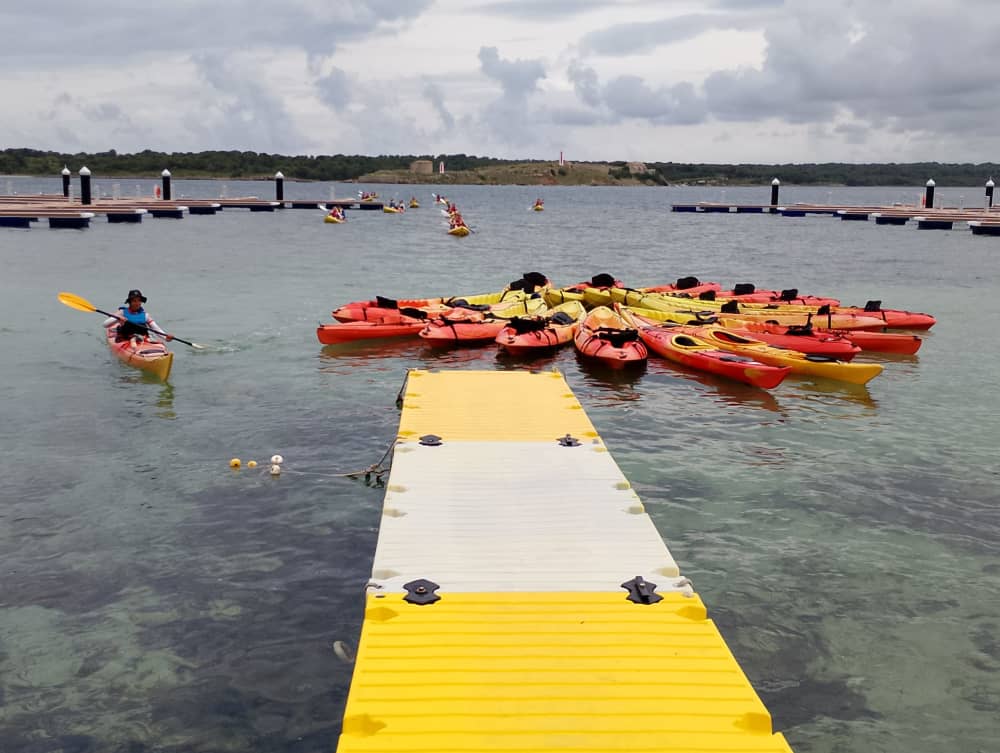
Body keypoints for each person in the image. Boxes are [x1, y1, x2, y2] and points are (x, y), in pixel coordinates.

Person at [103, 289, 174, 343]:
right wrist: (118, 318)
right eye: (134, 301)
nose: (137, 303)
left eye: (139, 301)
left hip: (142, 339)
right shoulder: (122, 312)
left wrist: (166, 337)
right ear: (130, 302)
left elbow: (156, 329)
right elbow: (105, 324)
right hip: (126, 339)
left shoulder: (145, 315)